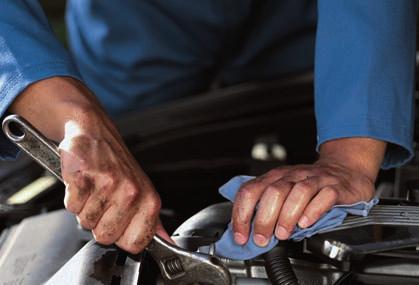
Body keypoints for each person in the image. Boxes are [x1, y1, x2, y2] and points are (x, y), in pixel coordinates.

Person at [0, 0, 416, 253]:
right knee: (110, 179)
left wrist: (350, 152)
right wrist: (69, 111)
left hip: (309, 28)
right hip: (136, 26)